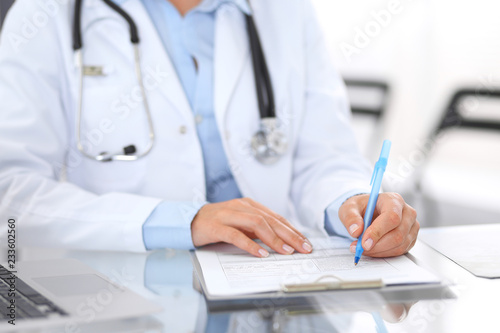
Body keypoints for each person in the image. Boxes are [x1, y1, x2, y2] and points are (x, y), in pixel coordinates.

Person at [0, 0, 419, 257]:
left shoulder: (285, 9)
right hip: (121, 292)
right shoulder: (48, 13)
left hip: (269, 287)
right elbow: (10, 191)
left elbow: (324, 158)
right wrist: (179, 221)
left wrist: (353, 204)